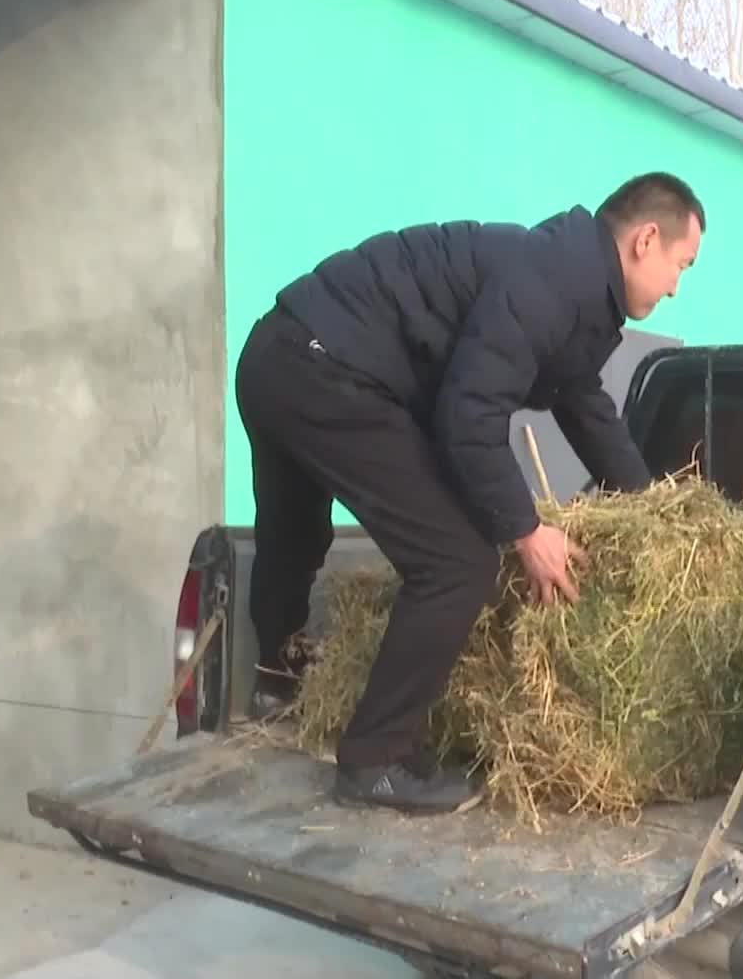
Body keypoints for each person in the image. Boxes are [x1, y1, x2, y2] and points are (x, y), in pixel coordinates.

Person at [235, 172, 704, 814]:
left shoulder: (565, 274)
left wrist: (651, 506)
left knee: (295, 533)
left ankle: (277, 681)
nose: (678, 285)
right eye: (682, 264)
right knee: (459, 562)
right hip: (329, 367)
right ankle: (375, 761)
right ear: (647, 240)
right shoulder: (554, 280)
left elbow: (582, 401)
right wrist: (525, 530)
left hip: (276, 354)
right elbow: (468, 412)